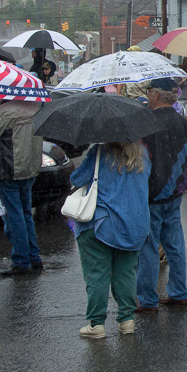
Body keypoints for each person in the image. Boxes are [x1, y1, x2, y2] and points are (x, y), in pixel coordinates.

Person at [71, 141, 151, 338]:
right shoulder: (143, 155)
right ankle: (127, 320)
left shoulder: (100, 153)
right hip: (134, 223)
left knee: (97, 274)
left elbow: (77, 178)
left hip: (102, 223)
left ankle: (96, 324)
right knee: (126, 273)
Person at [135, 78, 187, 313]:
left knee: (149, 247)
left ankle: (148, 299)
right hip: (173, 193)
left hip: (150, 195)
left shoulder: (146, 124)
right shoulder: (183, 123)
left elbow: (140, 161)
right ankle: (179, 292)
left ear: (155, 95)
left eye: (149, 91)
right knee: (174, 244)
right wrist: (180, 185)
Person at [0, 98, 43, 276]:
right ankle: (33, 256)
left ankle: (21, 261)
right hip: (28, 169)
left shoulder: (4, 112)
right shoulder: (34, 108)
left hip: (7, 169)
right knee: (25, 213)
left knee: (13, 216)